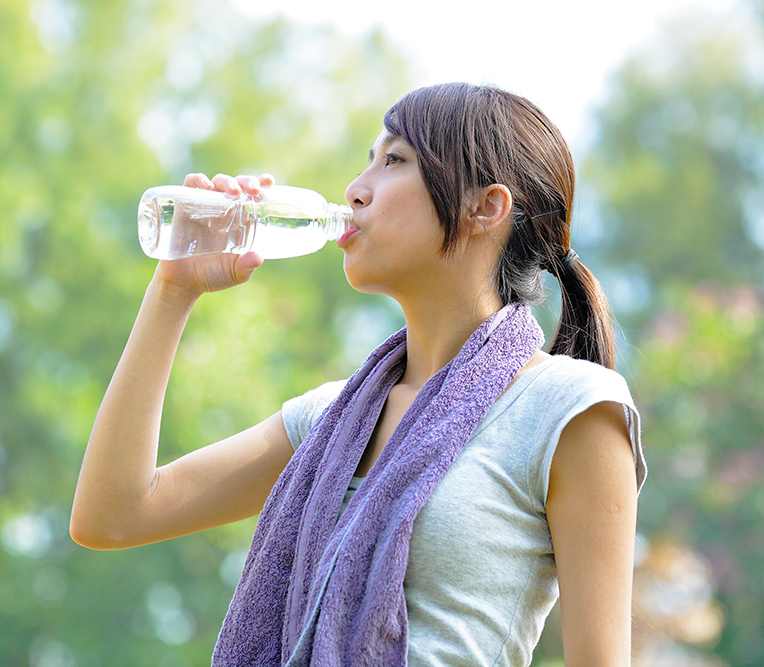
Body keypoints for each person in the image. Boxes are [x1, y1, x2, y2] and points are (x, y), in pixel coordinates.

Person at [70, 83, 646, 666]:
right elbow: (112, 515)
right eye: (369, 160)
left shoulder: (567, 408)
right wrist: (173, 289)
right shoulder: (329, 423)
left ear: (485, 207)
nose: (355, 189)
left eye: (394, 160)